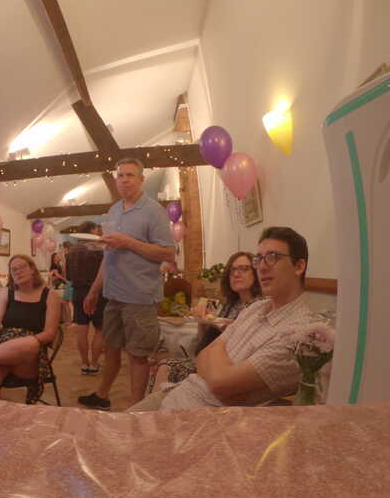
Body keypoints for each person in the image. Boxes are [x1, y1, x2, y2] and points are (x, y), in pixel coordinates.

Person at [129, 226, 316, 411]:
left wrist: (215, 366)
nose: (262, 267)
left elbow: (220, 383)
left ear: (299, 266)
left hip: (195, 414)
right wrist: (217, 368)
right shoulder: (256, 308)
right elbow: (203, 353)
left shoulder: (299, 333)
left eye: (273, 257)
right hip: (178, 392)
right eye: (259, 259)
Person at [78, 157, 175, 410]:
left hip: (140, 297)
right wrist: (94, 291)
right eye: (120, 175)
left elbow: (168, 252)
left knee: (138, 356)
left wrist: (128, 242)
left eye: (130, 175)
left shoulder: (154, 211)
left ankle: (136, 410)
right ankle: (102, 395)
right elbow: (109, 255)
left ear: (141, 179)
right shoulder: (114, 211)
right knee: (110, 348)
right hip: (113, 295)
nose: (124, 180)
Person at [152, 251, 262, 389]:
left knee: (167, 367)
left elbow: (252, 342)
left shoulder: (260, 305)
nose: (236, 274)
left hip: (233, 367)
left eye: (244, 269)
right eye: (232, 270)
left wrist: (229, 327)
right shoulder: (231, 304)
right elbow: (203, 343)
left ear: (256, 273)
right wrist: (202, 322)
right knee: (164, 366)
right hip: (211, 360)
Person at [0, 254, 61, 400]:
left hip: (28, 358)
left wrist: (28, 341)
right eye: (13, 269)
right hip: (1, 351)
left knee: (29, 343)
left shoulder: (50, 295)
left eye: (22, 267)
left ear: (32, 269)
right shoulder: (6, 293)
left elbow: (50, 333)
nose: (18, 271)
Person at [65, 221, 106, 375]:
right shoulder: (101, 249)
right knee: (100, 330)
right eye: (96, 229)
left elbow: (68, 276)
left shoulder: (71, 251)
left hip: (78, 293)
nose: (98, 232)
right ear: (91, 230)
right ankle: (94, 365)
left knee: (81, 330)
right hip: (99, 293)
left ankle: (84, 364)